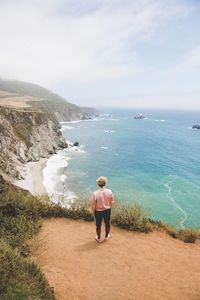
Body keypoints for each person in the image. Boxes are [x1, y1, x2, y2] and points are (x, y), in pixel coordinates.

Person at [91, 176, 115, 242]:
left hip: (98, 212)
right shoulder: (109, 191)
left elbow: (93, 204)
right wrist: (110, 208)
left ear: (98, 184)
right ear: (105, 183)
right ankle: (107, 236)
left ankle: (98, 238)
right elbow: (112, 201)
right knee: (107, 224)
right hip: (107, 210)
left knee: (98, 225)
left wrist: (93, 211)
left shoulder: (95, 193)